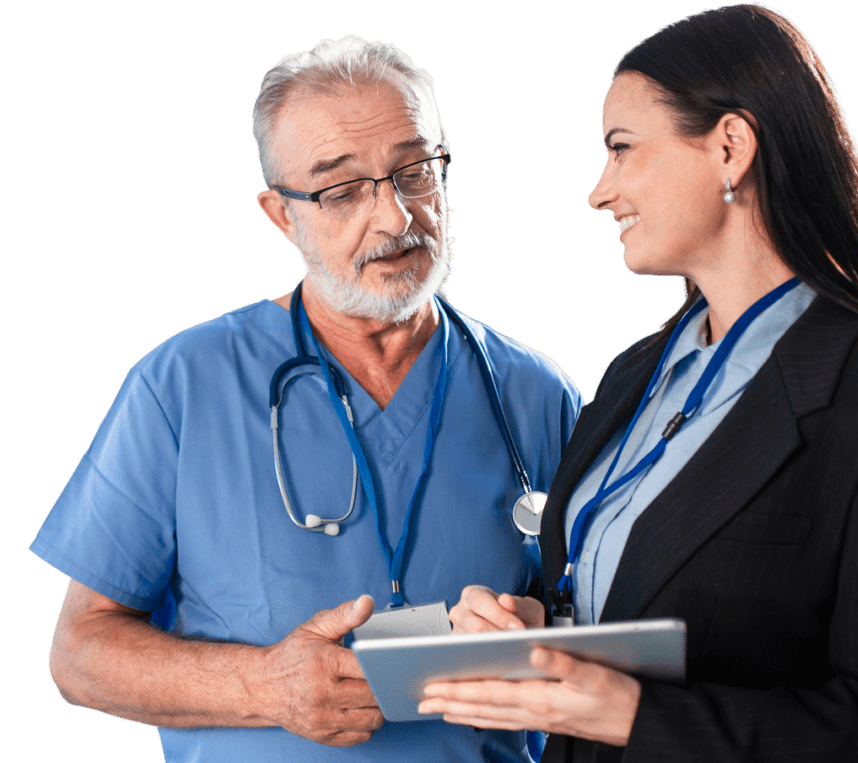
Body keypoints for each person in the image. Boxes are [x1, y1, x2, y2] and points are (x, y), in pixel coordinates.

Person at [417, 3, 858, 761]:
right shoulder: (637, 373)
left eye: (622, 148)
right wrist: (537, 637)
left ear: (730, 147)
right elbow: (636, 601)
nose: (599, 192)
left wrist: (636, 713)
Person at [28, 35, 581, 763]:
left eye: (415, 171)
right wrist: (264, 686)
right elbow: (79, 653)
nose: (395, 218)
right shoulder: (182, 386)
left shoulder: (537, 394)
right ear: (282, 215)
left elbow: (603, 623)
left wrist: (539, 628)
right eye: (341, 189)